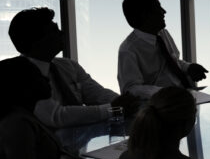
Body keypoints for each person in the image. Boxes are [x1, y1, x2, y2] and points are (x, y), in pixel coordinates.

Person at [10, 7, 139, 128]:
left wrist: (125, 102)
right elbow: (56, 116)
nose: (62, 33)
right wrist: (112, 109)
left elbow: (96, 93)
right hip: (45, 148)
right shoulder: (18, 75)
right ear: (37, 41)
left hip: (82, 141)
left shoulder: (68, 65)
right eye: (54, 30)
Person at [118, 0, 208, 98]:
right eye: (158, 7)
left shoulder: (163, 34)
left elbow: (173, 61)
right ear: (145, 15)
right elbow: (131, 89)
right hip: (159, 106)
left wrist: (188, 67)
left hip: (183, 95)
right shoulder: (128, 50)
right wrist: (166, 92)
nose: (164, 11)